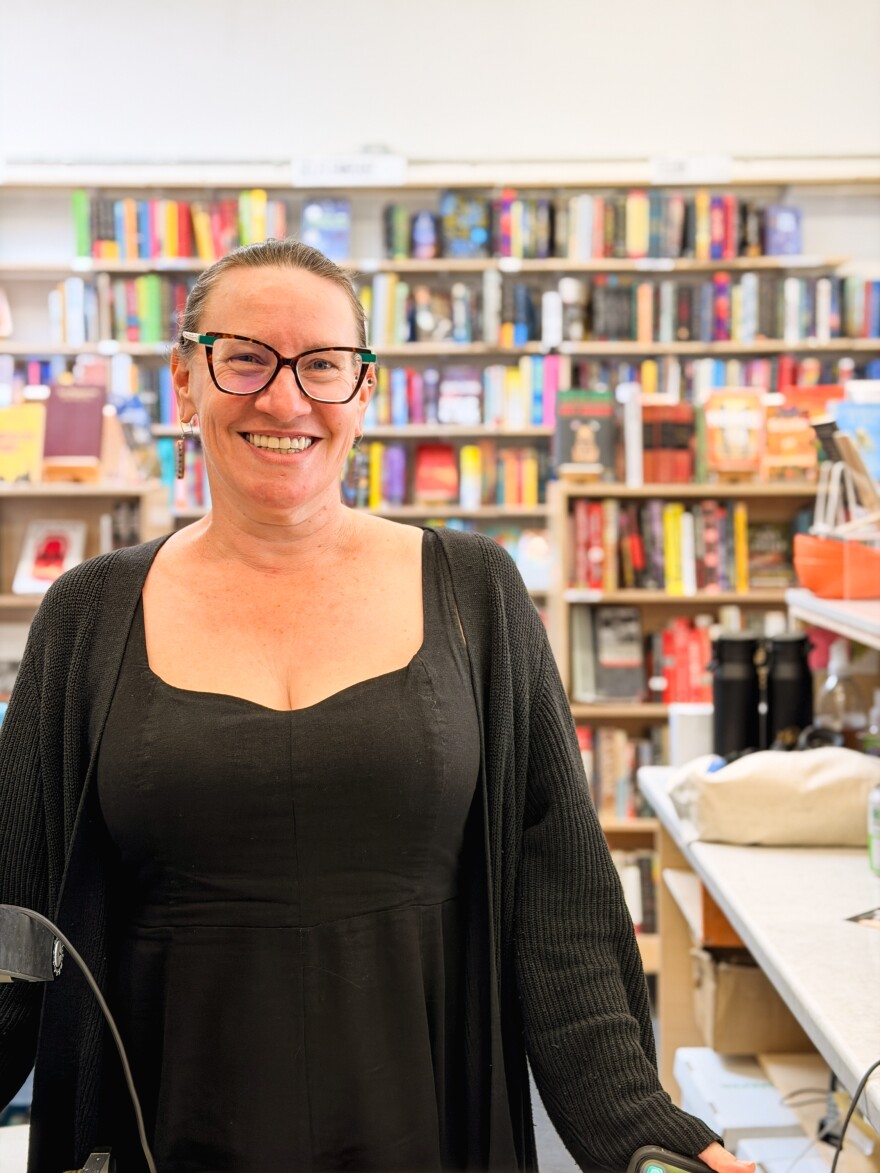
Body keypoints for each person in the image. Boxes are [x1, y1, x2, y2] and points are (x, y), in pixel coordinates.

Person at [0, 239, 752, 1173]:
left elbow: (557, 906)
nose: (286, 398)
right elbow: (15, 925)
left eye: (323, 365)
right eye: (245, 356)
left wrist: (642, 1128)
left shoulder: (475, 593)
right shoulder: (89, 615)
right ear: (185, 382)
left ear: (365, 392)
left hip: (427, 1125)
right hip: (160, 1132)